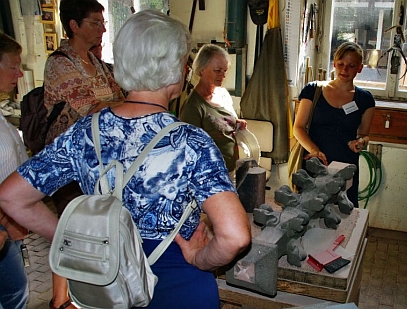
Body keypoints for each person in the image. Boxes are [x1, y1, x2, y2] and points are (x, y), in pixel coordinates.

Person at [0, 10, 250, 309]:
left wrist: (74, 238)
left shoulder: (84, 132)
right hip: (176, 285)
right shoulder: (190, 142)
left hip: (107, 284)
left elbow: (12, 197)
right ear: (176, 70)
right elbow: (234, 236)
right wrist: (201, 258)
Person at [44, 1, 124, 307]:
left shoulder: (97, 63)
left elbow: (119, 99)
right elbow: (92, 108)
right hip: (70, 166)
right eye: (94, 22)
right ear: (74, 25)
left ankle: (94, 292)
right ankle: (61, 300)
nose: (102, 28)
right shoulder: (60, 63)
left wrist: (120, 105)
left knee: (95, 232)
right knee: (70, 234)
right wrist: (122, 106)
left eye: (102, 22)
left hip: (100, 164)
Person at [293, 41, 375, 208]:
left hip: (345, 165)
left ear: (360, 68)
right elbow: (298, 127)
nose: (344, 70)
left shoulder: (365, 99)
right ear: (334, 63)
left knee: (344, 213)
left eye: (351, 66)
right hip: (316, 162)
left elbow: (364, 134)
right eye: (341, 64)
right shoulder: (312, 90)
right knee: (309, 211)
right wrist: (314, 150)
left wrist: (360, 142)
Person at [179, 44, 247, 174]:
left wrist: (236, 123)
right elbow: (189, 149)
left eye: (225, 71)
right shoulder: (193, 107)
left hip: (231, 169)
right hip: (210, 174)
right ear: (201, 70)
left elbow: (222, 123)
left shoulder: (222, 94)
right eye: (217, 70)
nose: (223, 75)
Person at [0, 31, 29, 309]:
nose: (19, 74)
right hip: (2, 218)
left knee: (14, 289)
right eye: (13, 66)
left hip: (8, 215)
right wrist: (7, 222)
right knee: (13, 291)